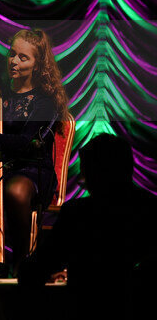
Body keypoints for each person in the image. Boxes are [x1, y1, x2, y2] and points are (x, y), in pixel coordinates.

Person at [19, 133, 157, 317]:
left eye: (85, 172)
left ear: (94, 174)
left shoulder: (77, 214)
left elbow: (36, 270)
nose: (83, 178)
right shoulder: (151, 208)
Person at [0, 28, 69, 274]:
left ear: (37, 65)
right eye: (12, 54)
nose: (14, 61)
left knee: (15, 191)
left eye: (23, 57)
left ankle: (21, 264)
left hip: (35, 170)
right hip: (3, 167)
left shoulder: (45, 101)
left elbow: (28, 142)